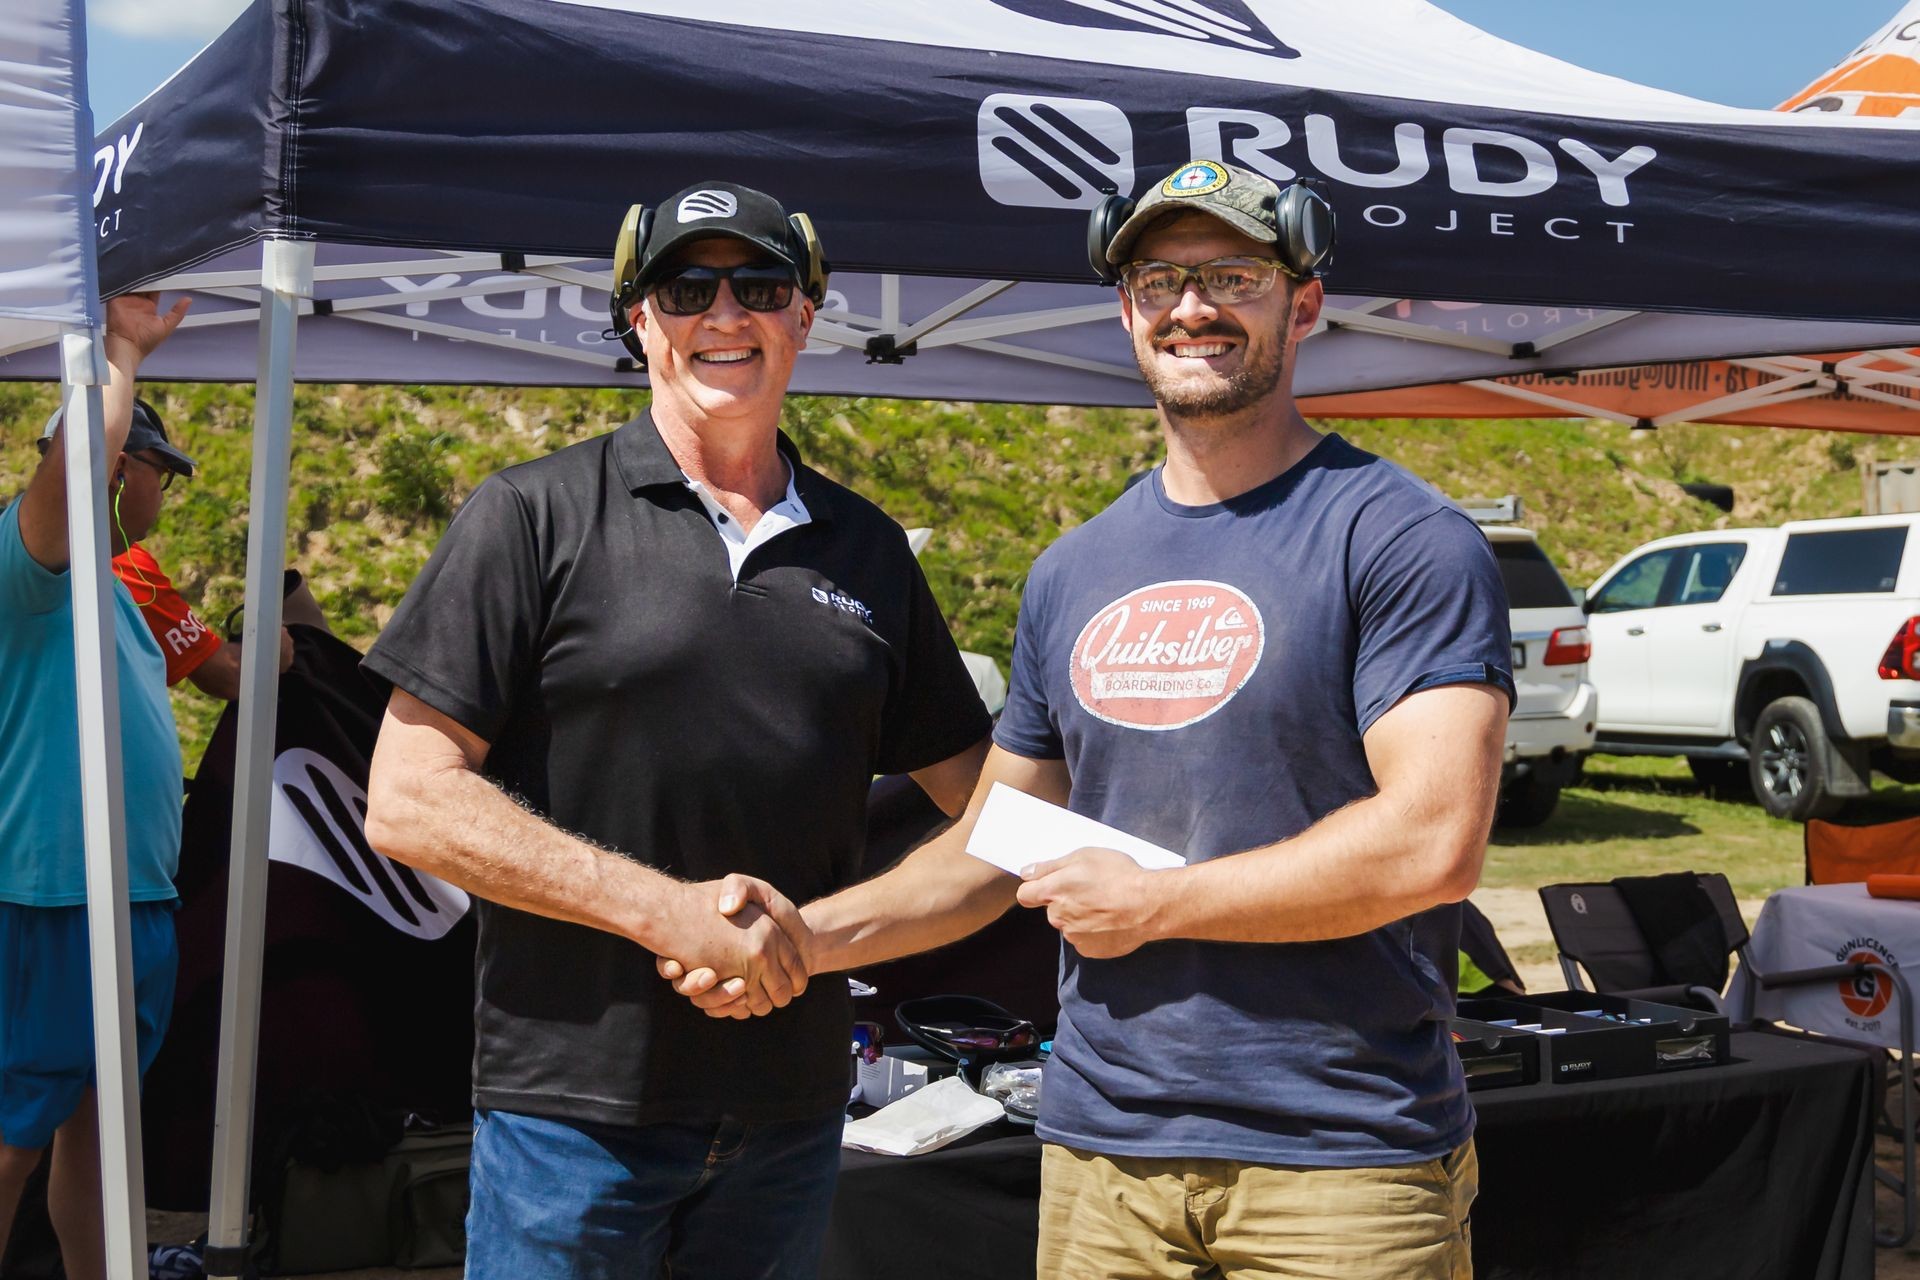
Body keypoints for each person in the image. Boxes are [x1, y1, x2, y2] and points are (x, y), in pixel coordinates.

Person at [667, 158, 1516, 1278]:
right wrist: (801, 940)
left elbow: (1431, 840)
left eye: (1234, 275)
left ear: (1303, 301)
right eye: (1160, 278)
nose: (1193, 306)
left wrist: (1162, 903)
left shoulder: (1402, 539)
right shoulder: (1076, 567)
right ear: (1127, 309)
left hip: (1340, 1157)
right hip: (1103, 1159)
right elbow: (995, 843)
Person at [360, 180, 990, 1279]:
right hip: (572, 1116)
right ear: (639, 318)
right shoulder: (532, 512)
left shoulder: (869, 550)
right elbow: (409, 797)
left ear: (804, 316)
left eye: (759, 284)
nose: (723, 313)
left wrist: (813, 941)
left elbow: (998, 811)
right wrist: (668, 912)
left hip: (791, 1120)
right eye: (685, 286)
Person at [0, 291, 192, 1280]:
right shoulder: (26, 565)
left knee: (100, 1127)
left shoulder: (116, 583)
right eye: (160, 471)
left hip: (133, 900)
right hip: (54, 901)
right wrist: (122, 346)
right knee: (12, 1137)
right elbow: (70, 470)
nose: (169, 493)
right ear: (117, 465)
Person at [36, 402, 296, 701]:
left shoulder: (28, 541)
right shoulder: (116, 560)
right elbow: (228, 675)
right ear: (118, 470)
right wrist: (272, 650)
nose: (161, 494)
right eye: (161, 474)